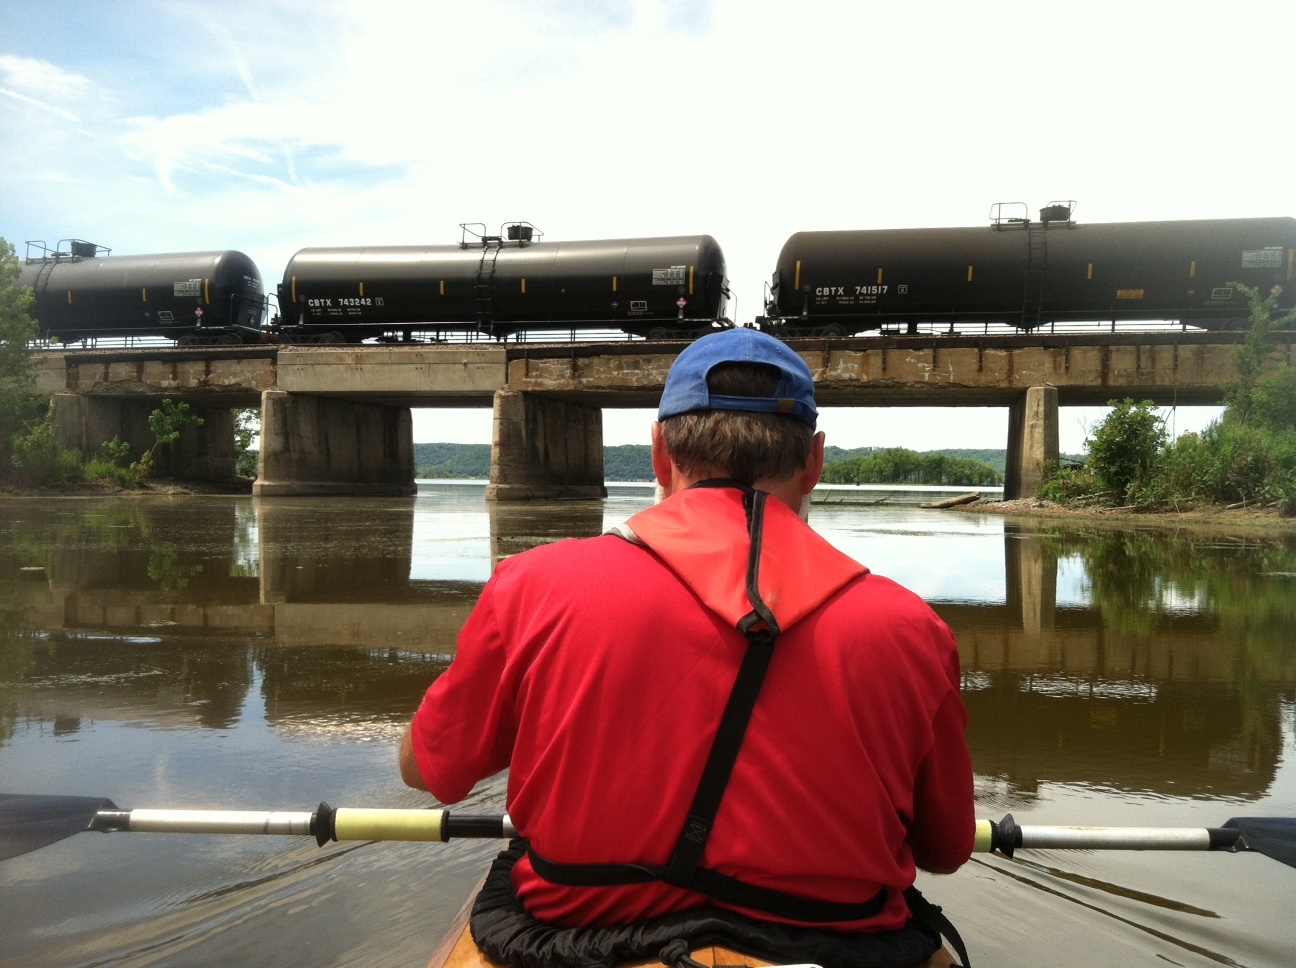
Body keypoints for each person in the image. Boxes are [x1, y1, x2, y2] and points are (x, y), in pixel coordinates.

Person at [401, 328, 975, 967]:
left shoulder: (530, 586)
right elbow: (946, 850)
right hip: (836, 941)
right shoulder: (914, 629)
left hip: (569, 933)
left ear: (658, 452)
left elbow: (431, 773)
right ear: (814, 462)